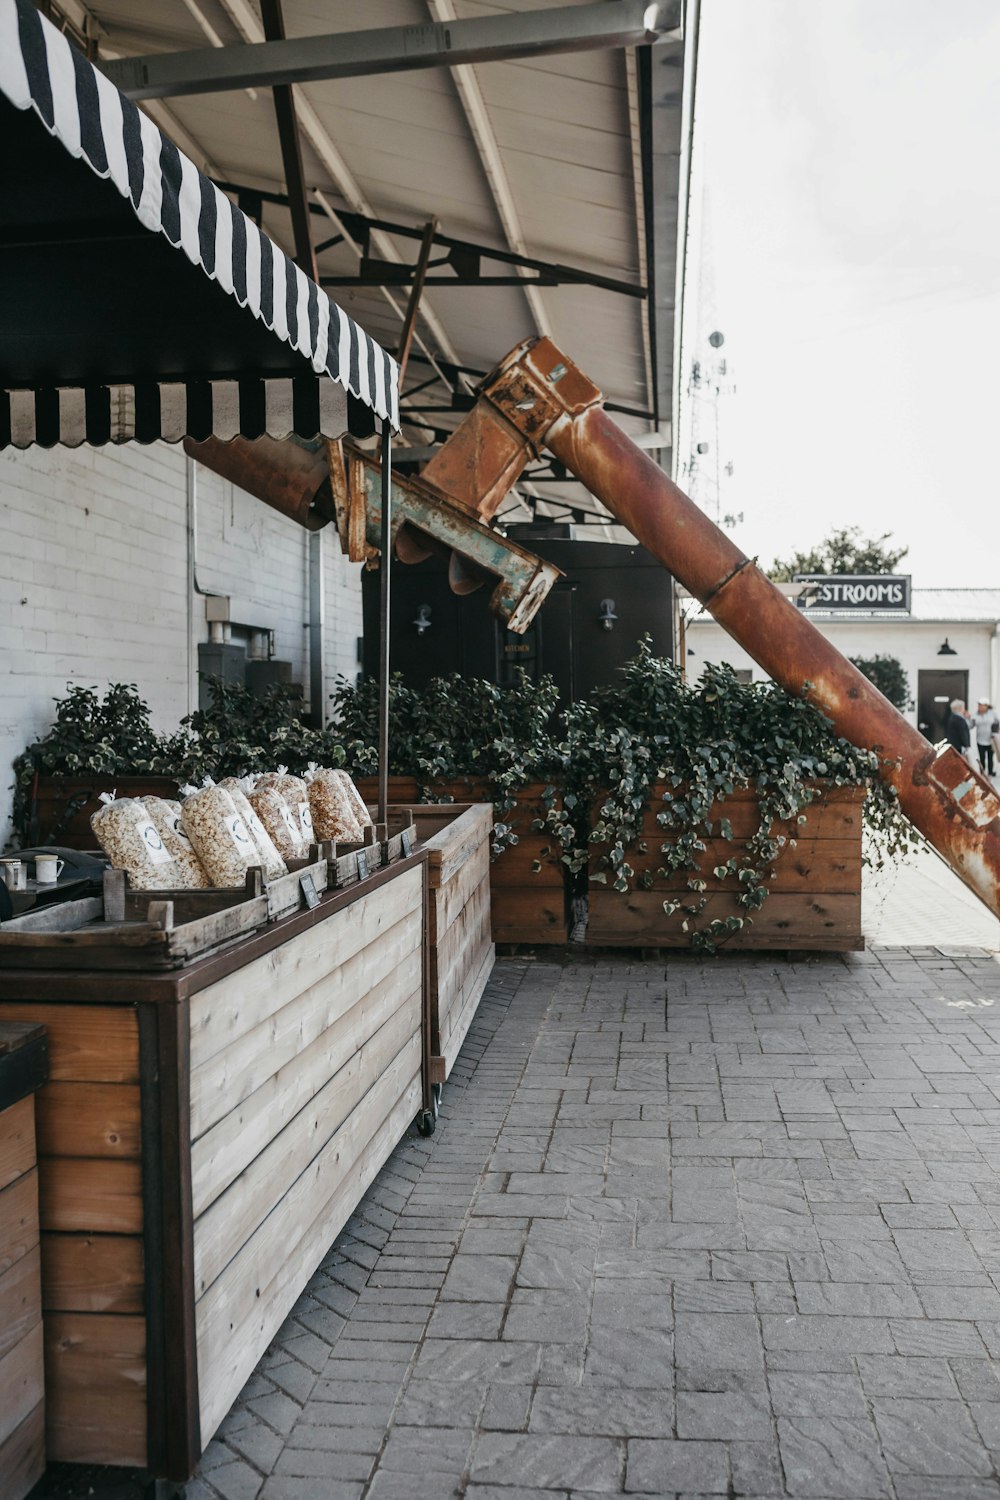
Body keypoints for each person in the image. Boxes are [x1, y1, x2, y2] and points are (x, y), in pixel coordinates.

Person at [970, 698, 1000, 776]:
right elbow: (971, 726)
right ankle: (982, 773)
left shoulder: (992, 714)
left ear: (986, 706)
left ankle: (990, 773)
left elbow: (997, 723)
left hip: (991, 740)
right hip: (980, 740)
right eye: (979, 705)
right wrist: (968, 719)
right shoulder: (975, 715)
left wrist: (995, 733)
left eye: (981, 705)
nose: (980, 706)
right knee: (982, 758)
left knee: (990, 758)